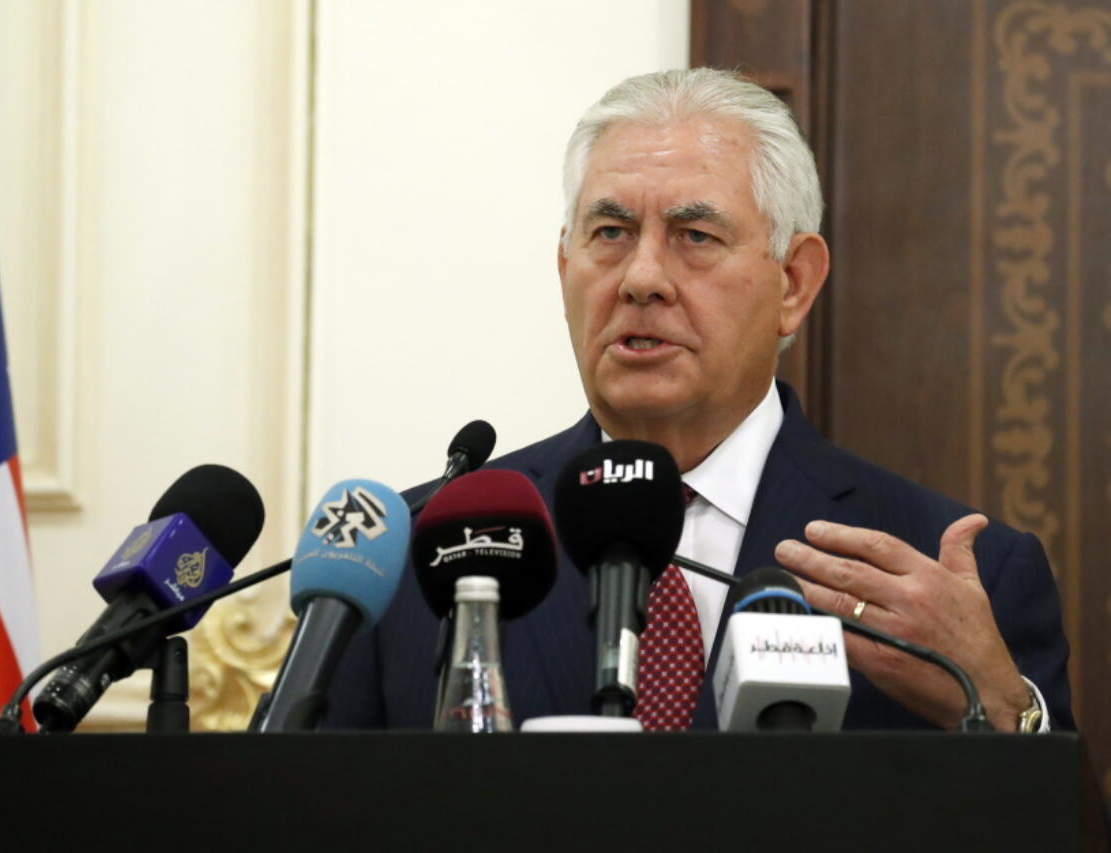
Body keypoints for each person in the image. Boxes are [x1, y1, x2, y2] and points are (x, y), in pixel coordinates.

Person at [322, 67, 1073, 733]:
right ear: (564, 267)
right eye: (610, 232)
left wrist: (1003, 708)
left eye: (695, 235)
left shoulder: (951, 571)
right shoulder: (415, 555)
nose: (640, 276)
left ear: (793, 283)